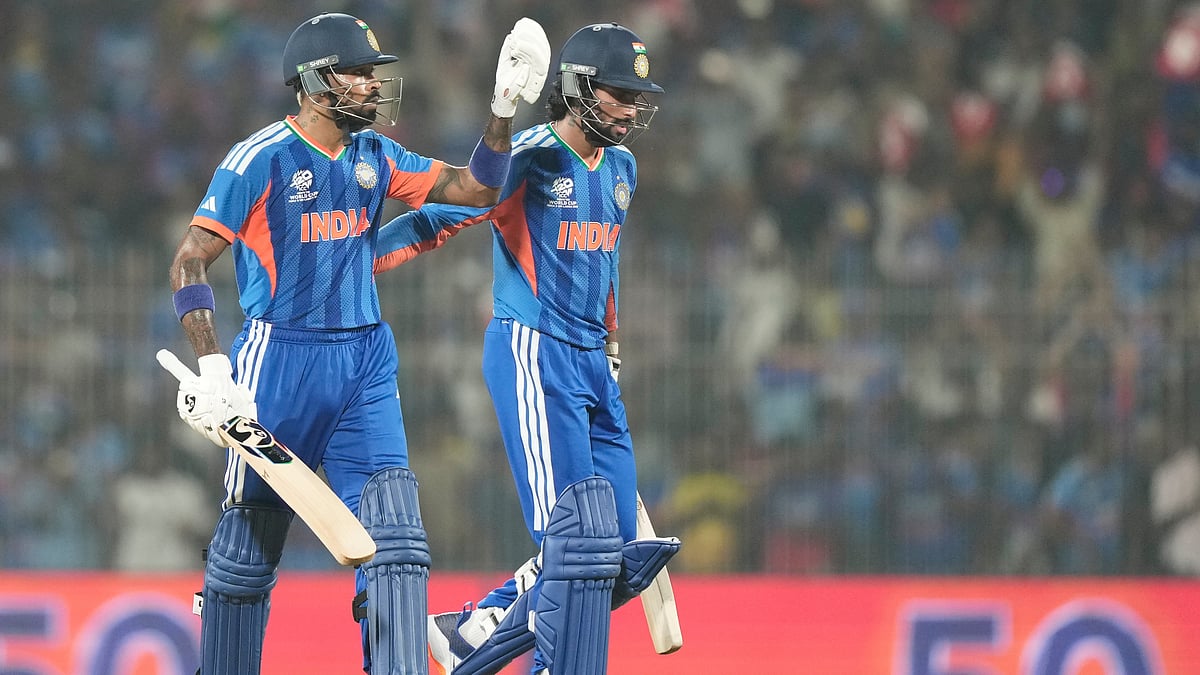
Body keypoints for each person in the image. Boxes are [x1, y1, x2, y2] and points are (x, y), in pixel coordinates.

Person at [156, 12, 550, 675]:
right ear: (313, 83)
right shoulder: (259, 158)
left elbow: (476, 188)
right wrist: (214, 366)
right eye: (358, 73)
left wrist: (502, 111)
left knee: (396, 545)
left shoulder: (377, 154)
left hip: (365, 362)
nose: (373, 85)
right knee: (244, 558)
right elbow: (189, 261)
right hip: (277, 363)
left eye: (373, 73)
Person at [374, 23, 680, 675]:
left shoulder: (621, 169)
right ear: (577, 88)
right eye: (620, 94)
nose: (631, 110)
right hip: (535, 354)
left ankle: (472, 629)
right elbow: (437, 218)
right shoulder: (530, 155)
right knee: (575, 544)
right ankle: (522, 656)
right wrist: (353, 264)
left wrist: (612, 341)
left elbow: (605, 262)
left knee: (615, 550)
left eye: (638, 98)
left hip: (595, 363)